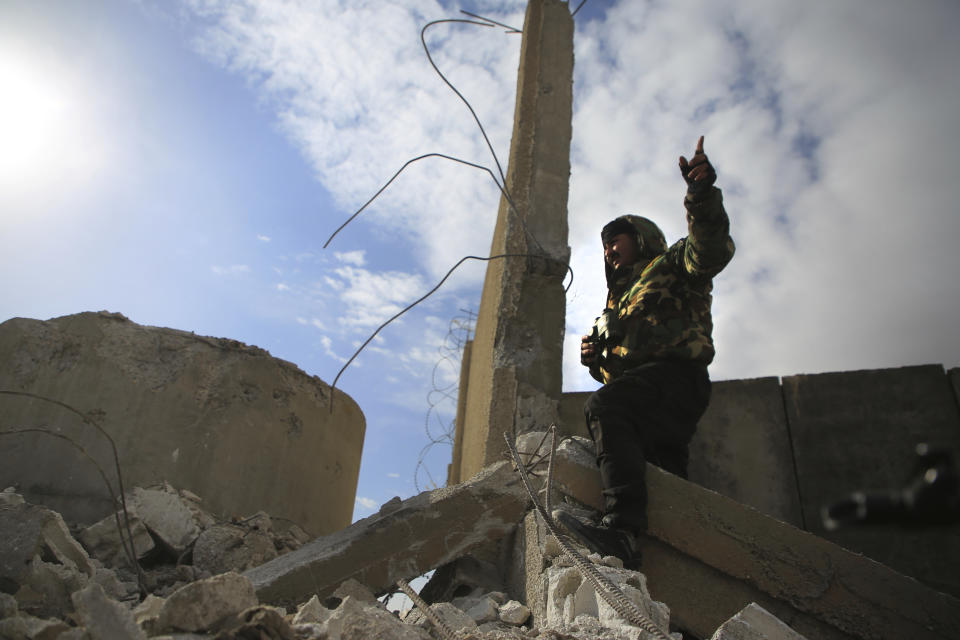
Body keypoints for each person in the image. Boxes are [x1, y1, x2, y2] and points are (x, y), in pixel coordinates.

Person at [556, 136, 735, 563]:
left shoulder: (670, 265)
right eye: (604, 245)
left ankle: (620, 529)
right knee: (663, 476)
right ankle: (666, 561)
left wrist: (701, 195)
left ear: (640, 238)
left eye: (618, 239)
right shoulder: (614, 306)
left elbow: (709, 251)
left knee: (606, 408)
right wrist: (596, 361)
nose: (609, 249)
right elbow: (622, 371)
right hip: (652, 390)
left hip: (677, 378)